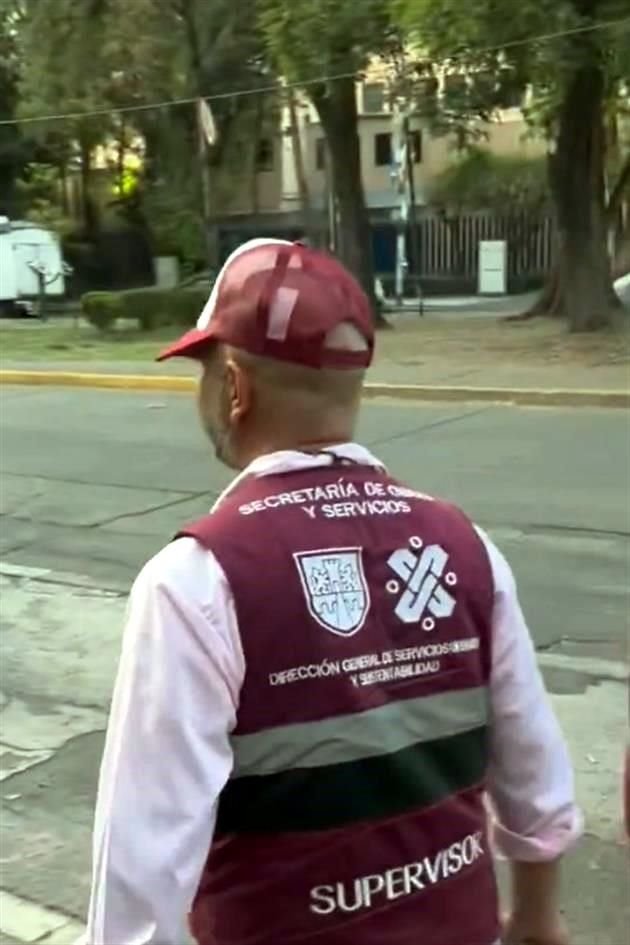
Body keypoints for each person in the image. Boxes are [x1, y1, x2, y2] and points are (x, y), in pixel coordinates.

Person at [83, 239, 581, 945]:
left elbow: (141, 871)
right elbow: (534, 771)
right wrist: (533, 917)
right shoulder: (465, 547)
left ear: (234, 388)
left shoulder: (197, 579)